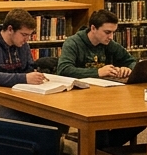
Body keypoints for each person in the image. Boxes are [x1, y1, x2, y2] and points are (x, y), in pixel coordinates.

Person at [58, 10, 139, 146]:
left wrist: (128, 69)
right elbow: (64, 70)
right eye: (107, 32)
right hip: (80, 98)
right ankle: (103, 152)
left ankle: (107, 150)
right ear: (93, 28)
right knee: (101, 129)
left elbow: (131, 61)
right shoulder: (73, 43)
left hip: (106, 96)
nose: (111, 37)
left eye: (113, 32)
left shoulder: (108, 44)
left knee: (138, 119)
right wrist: (98, 72)